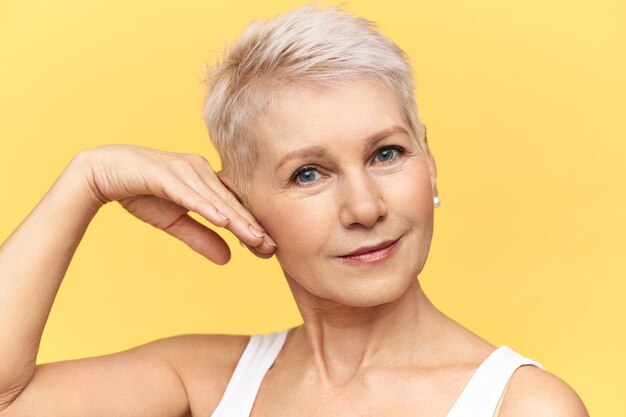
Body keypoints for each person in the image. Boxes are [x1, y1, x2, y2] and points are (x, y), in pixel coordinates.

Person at [0, 4, 589, 417]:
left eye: (387, 153)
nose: (364, 207)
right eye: (308, 173)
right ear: (236, 202)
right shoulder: (203, 380)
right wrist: (88, 178)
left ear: (430, 164)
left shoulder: (522, 405)